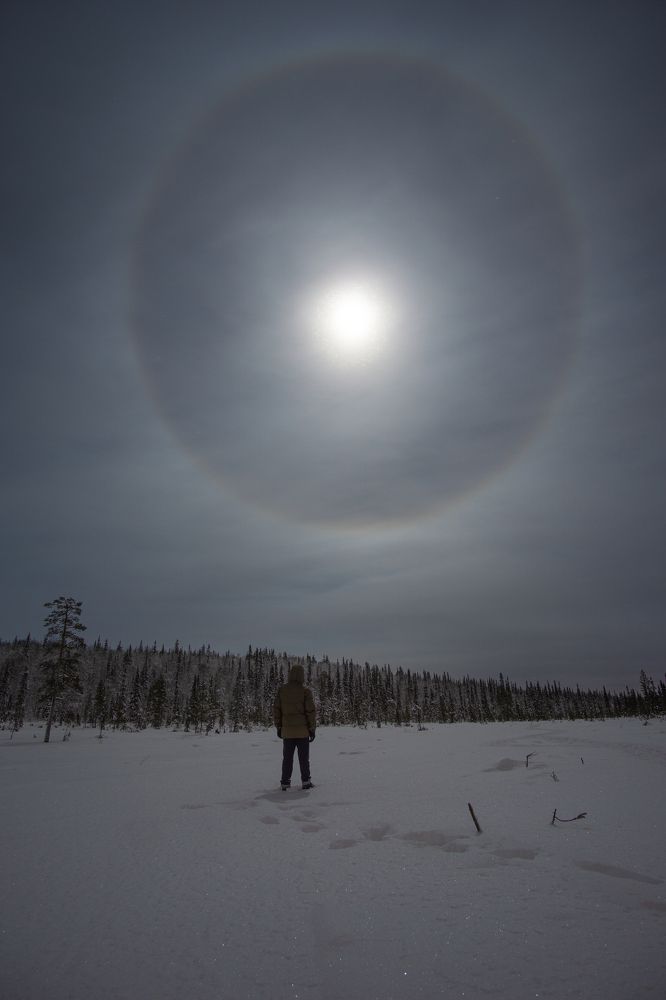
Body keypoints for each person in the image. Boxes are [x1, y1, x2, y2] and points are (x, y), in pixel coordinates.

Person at [273, 663, 316, 790]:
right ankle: (306, 781)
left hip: (287, 731)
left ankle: (285, 782)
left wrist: (278, 727)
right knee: (304, 759)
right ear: (302, 675)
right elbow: (310, 712)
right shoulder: (305, 691)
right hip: (303, 731)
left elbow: (277, 710)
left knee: (287, 758)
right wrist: (312, 729)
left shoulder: (282, 690)